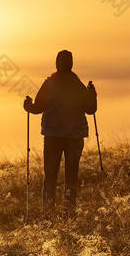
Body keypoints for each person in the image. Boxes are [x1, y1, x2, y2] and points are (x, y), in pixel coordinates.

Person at [23, 50, 97, 218]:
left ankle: (48, 214)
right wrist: (92, 93)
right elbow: (91, 109)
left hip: (53, 135)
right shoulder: (78, 85)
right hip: (75, 136)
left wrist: (27, 105)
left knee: (50, 176)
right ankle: (69, 214)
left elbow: (37, 108)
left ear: (57, 63)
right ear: (71, 64)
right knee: (71, 176)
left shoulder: (50, 83)